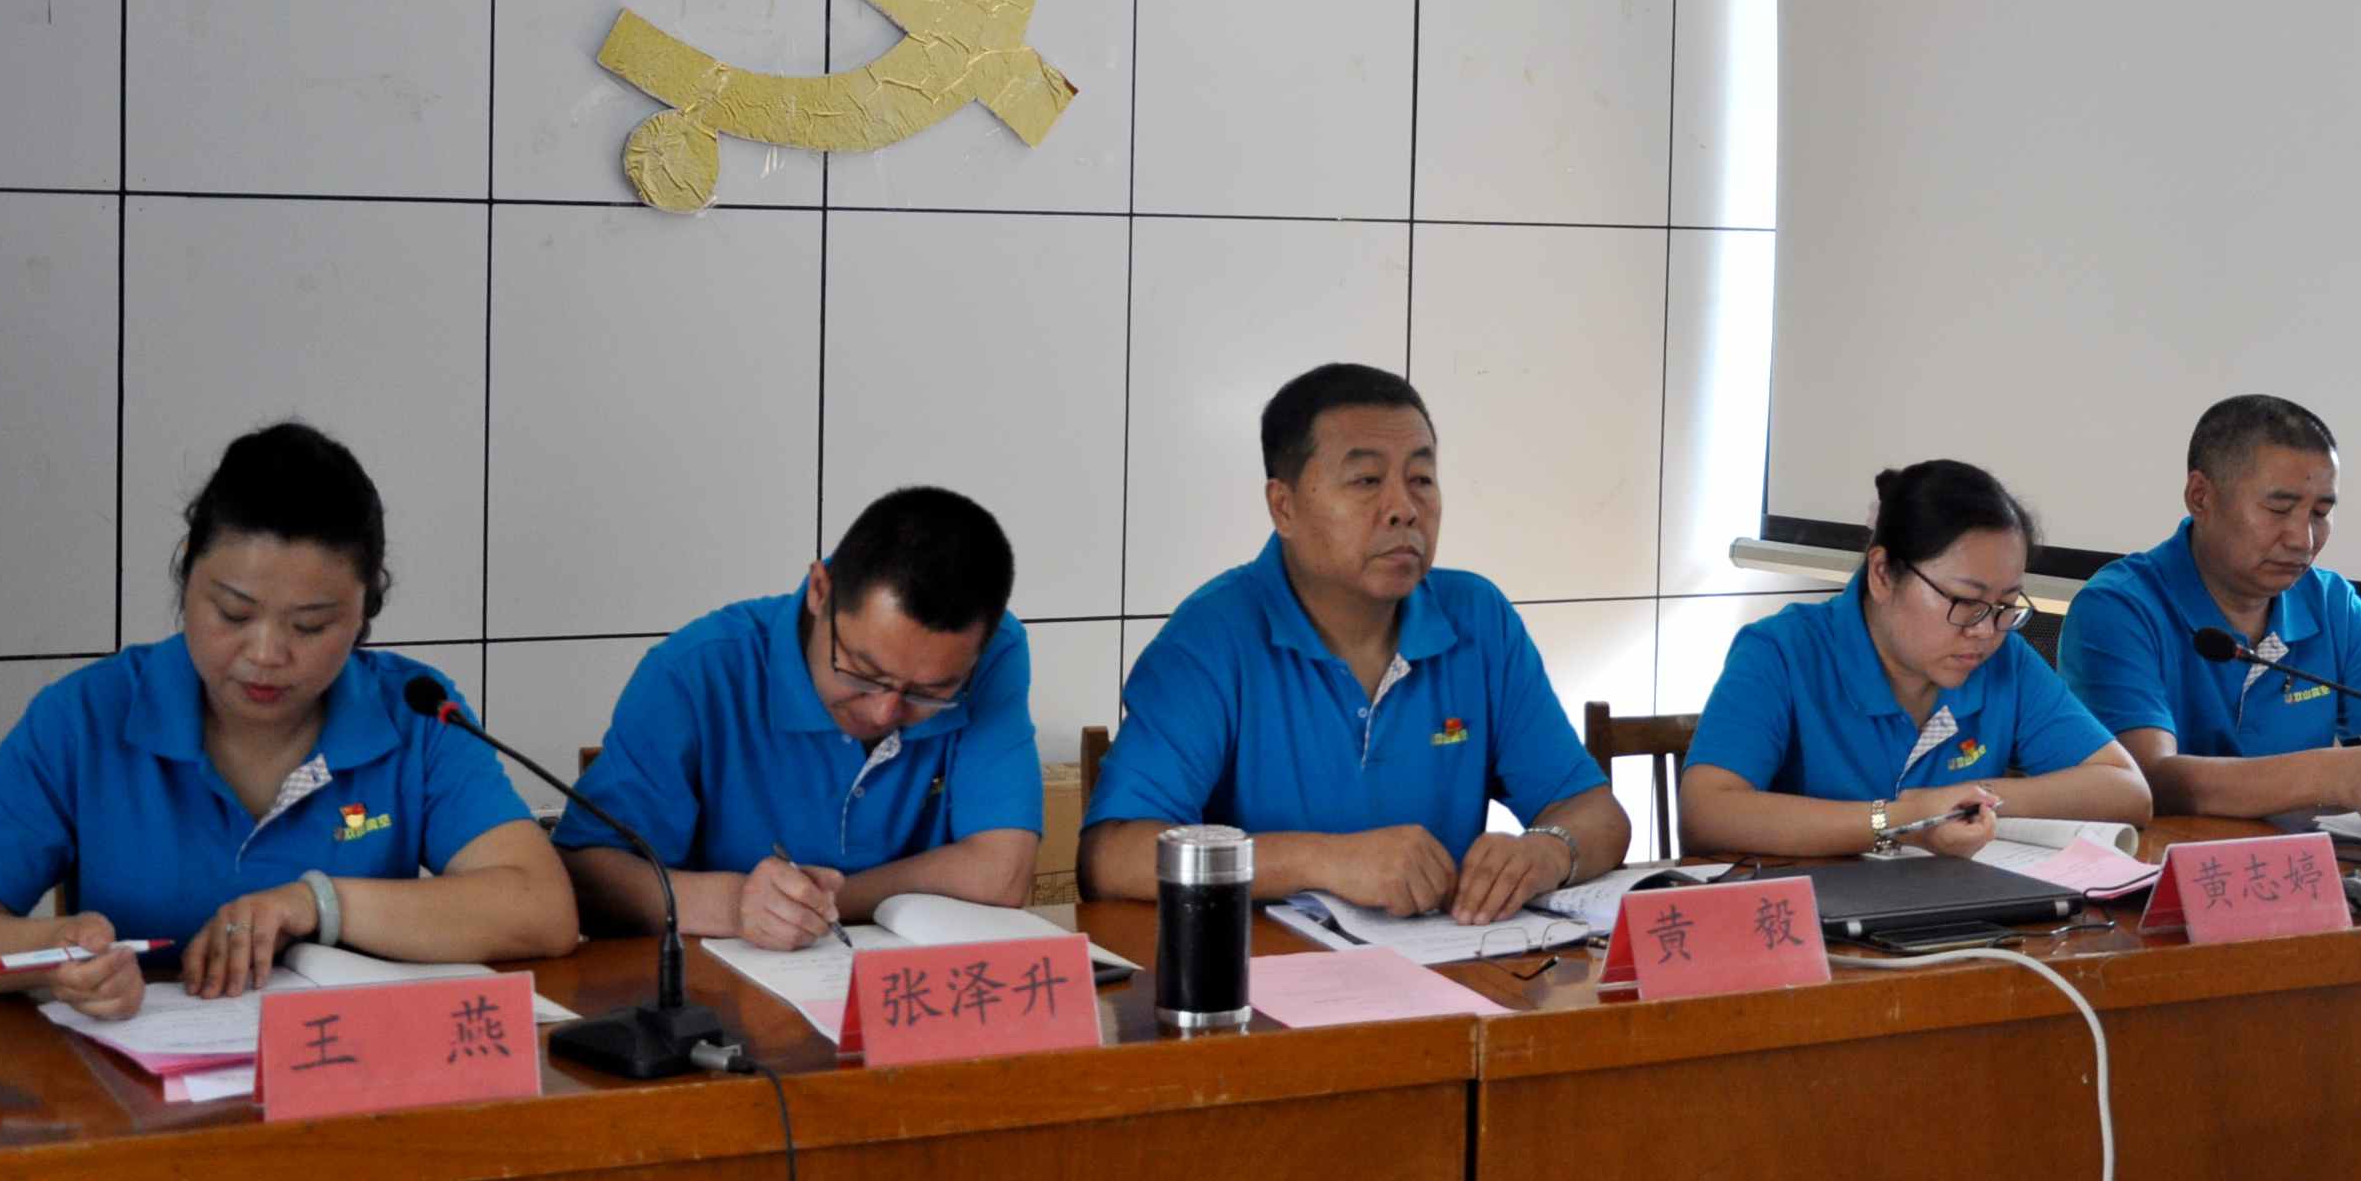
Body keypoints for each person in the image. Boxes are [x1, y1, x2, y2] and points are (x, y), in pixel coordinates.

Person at [0, 422, 576, 1020]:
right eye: (233, 613)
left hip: (351, 1090)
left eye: (311, 625)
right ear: (186, 574)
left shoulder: (413, 711)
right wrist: (54, 953)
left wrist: (317, 903)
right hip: (136, 1104)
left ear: (367, 611)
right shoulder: (88, 718)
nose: (266, 654)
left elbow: (542, 908)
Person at [1081, 363, 1628, 922]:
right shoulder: (1211, 637)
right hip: (1264, 968)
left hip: (1450, 964)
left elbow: (1596, 812)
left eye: (1421, 479)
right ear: (1284, 506)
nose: (1404, 508)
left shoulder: (1477, 620)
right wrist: (1324, 860)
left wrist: (1548, 851)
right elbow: (1112, 857)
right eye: (1367, 481)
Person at [559, 486, 1041, 949]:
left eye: (929, 692)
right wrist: (735, 906)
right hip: (715, 989)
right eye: (863, 672)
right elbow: (585, 877)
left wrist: (814, 905)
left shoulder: (993, 653)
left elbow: (1001, 873)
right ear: (819, 590)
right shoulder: (698, 670)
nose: (884, 712)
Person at [1681, 460, 2152, 860]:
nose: (1985, 630)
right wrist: (1905, 819)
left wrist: (1972, 800)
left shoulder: (2004, 660)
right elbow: (1708, 812)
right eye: (1965, 601)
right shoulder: (1783, 652)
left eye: (2006, 605)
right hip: (1814, 924)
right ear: (1883, 574)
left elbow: (2126, 790)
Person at [2060, 395, 2361, 831]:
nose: (2303, 539)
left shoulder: (2332, 604)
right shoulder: (2118, 608)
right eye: (2279, 509)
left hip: (2311, 864)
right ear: (2200, 497)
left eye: (2320, 513)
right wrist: (2327, 775)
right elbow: (2147, 778)